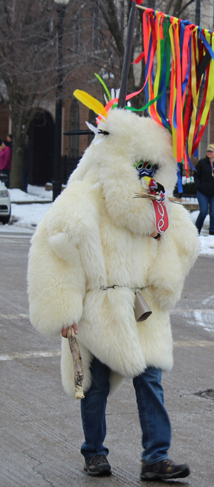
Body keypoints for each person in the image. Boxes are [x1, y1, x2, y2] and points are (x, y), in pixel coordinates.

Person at [28, 109, 199, 480]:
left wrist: (165, 272)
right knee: (95, 385)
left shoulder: (157, 208)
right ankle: (94, 452)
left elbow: (179, 244)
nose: (147, 175)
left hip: (142, 306)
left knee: (150, 378)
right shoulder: (87, 196)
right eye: (140, 165)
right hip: (99, 307)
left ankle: (156, 457)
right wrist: (63, 309)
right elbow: (55, 248)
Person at [193, 144, 214, 235]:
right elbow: (196, 175)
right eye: (208, 151)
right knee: (203, 211)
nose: (209, 153)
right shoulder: (202, 163)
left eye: (211, 151)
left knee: (213, 213)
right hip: (203, 192)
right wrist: (198, 186)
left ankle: (212, 232)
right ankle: (196, 230)